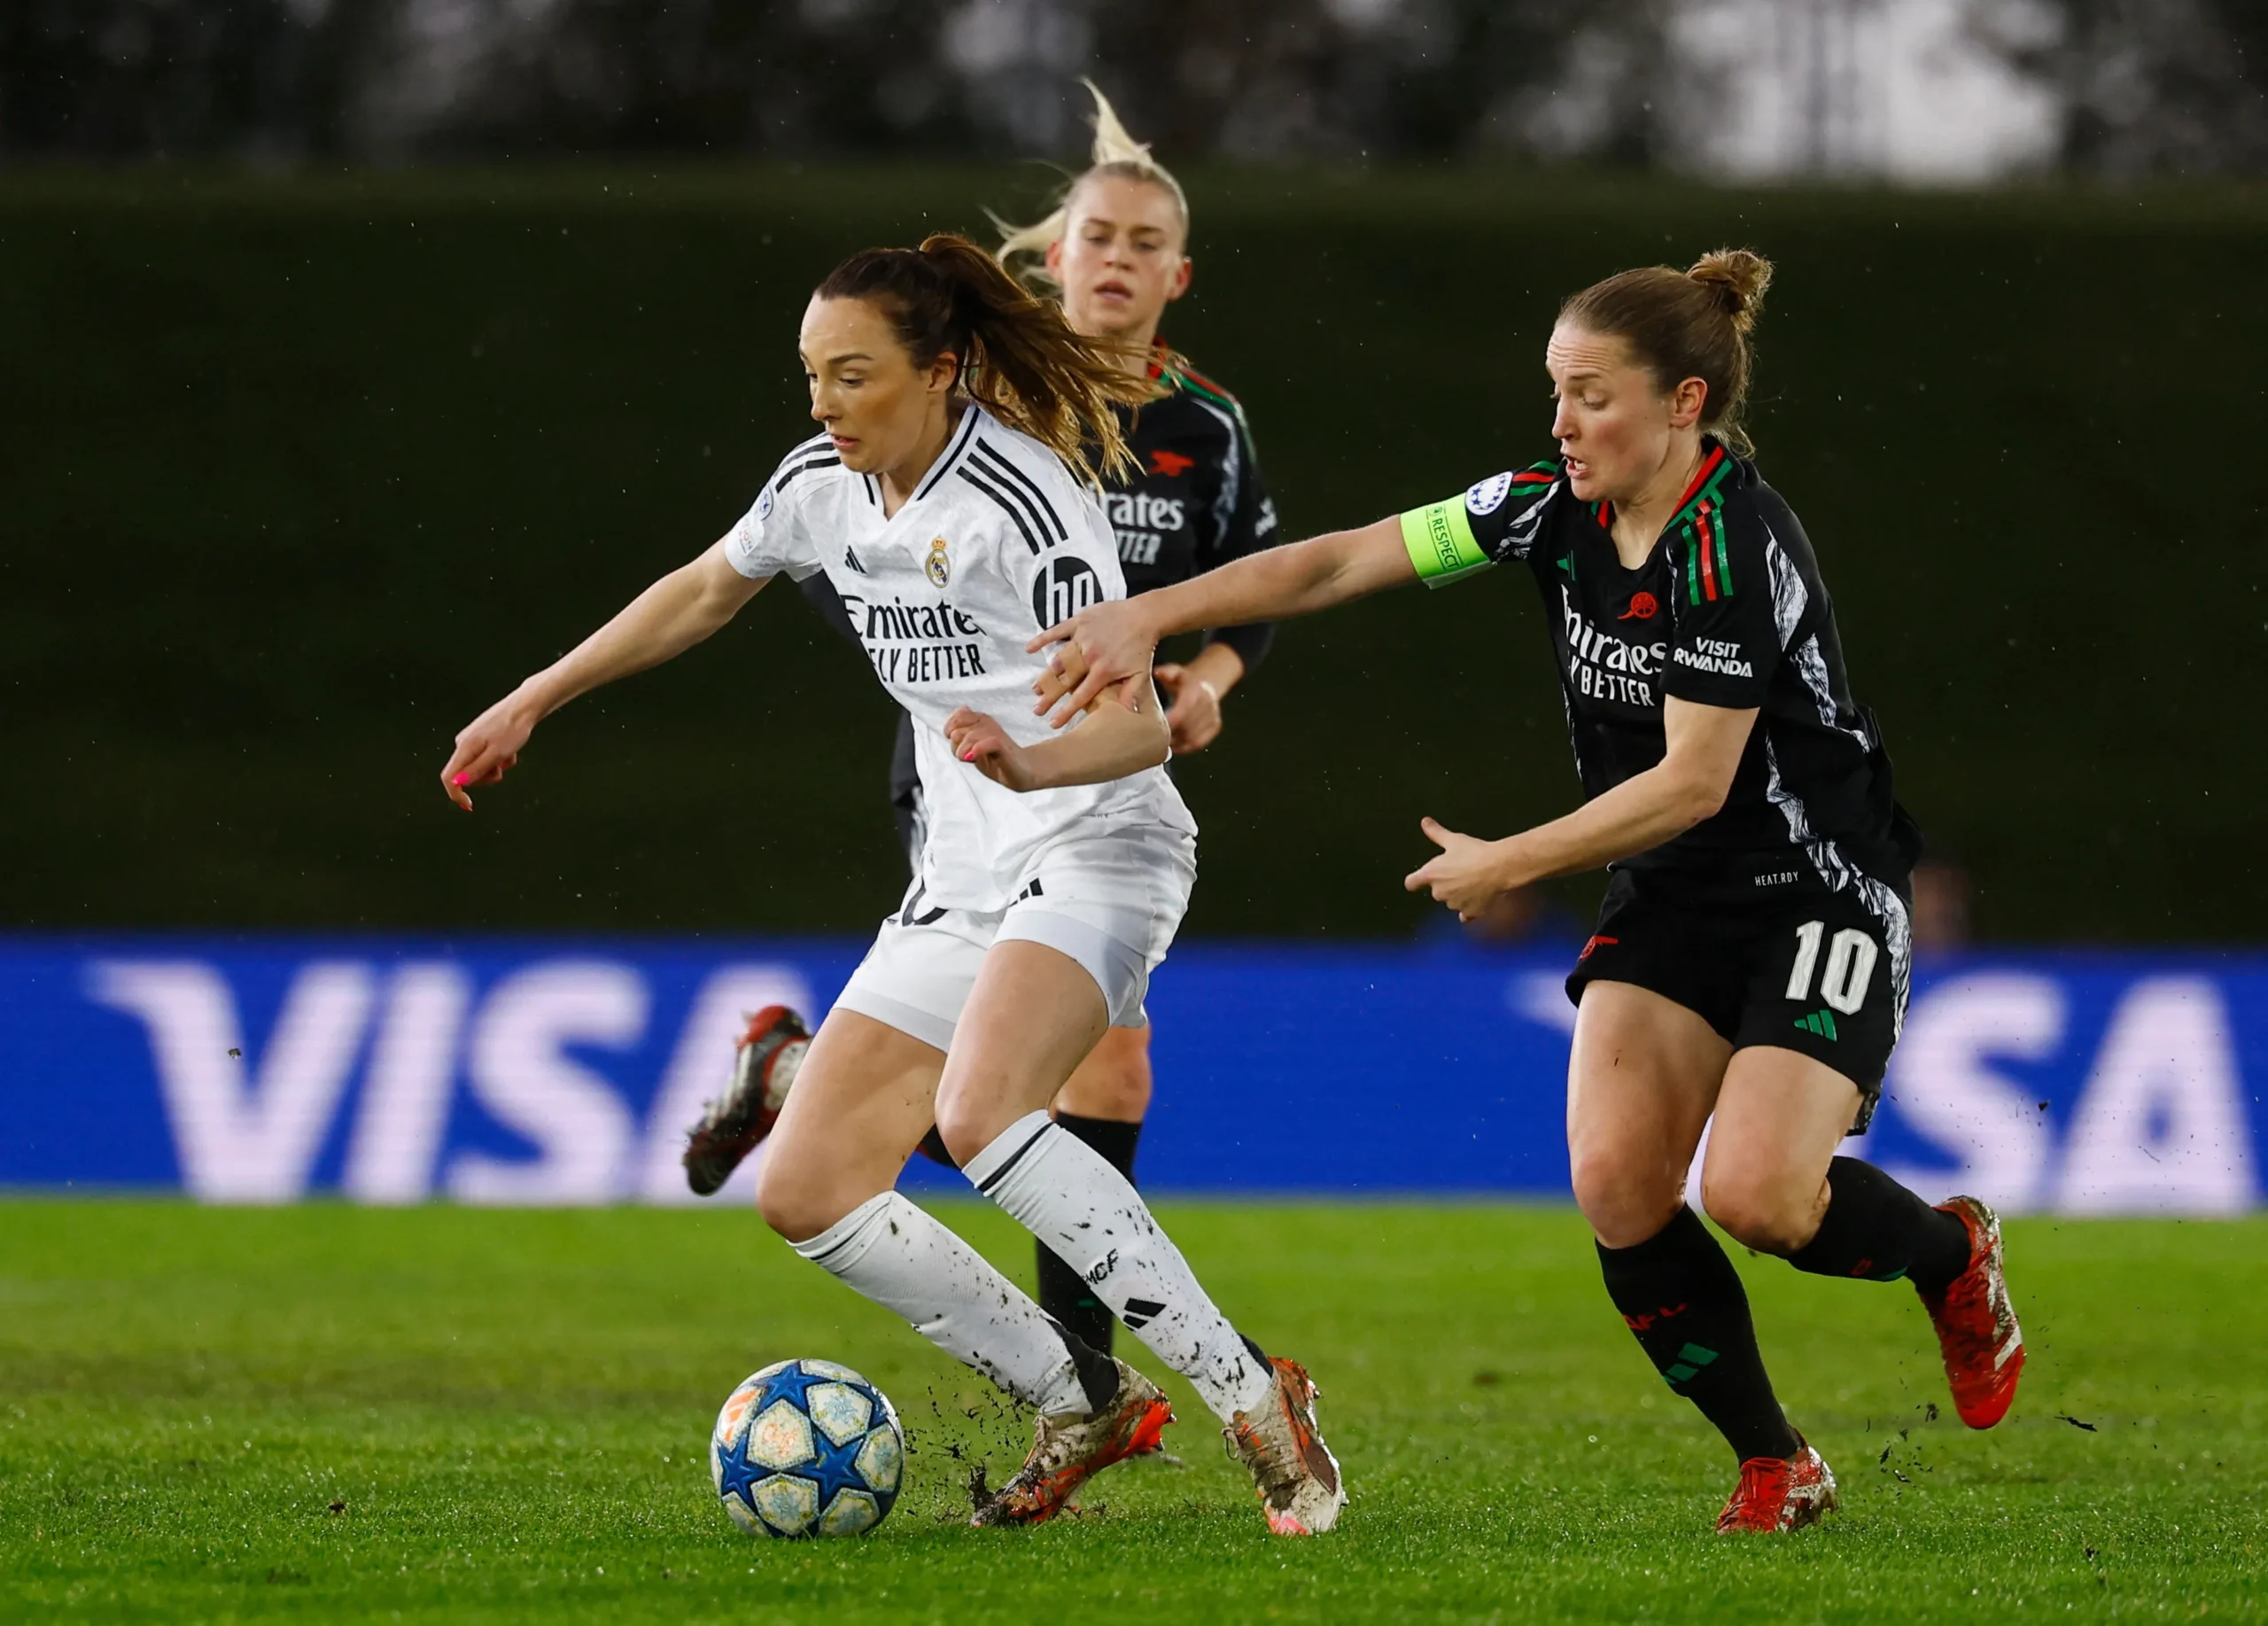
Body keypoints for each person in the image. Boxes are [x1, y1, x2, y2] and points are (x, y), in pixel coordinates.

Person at [1028, 248, 2024, 1534]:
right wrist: (1148, 615)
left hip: (1815, 887)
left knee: (1760, 1199)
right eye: (1555, 391)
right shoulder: (1545, 502)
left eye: (1592, 396)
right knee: (1617, 1183)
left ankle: (1951, 1256)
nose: (1561, 423)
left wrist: (1512, 860)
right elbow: (1335, 563)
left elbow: (1696, 782)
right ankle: (1778, 1459)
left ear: (1685, 403)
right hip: (1674, 894)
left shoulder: (1727, 543)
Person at [439, 235, 1343, 1536]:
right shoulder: (823, 484)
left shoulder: (1024, 506)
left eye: (851, 376)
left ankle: (1255, 1396)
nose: (822, 404)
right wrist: (535, 697)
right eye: (812, 376)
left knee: (984, 1113)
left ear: (943, 370)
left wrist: (1031, 760)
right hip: (963, 870)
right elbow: (705, 588)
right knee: (803, 1189)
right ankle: (1078, 1396)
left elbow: (1145, 728)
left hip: (1097, 839)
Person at [697, 82, 1281, 1360]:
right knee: (1067, 1082)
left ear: (1180, 274)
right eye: (1096, 235)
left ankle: (798, 1084)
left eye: (1143, 241)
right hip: (983, 778)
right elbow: (859, 552)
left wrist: (1206, 687)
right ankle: (1084, 1372)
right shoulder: (983, 409)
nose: (1116, 257)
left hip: (1104, 761)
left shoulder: (1206, 429)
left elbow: (1249, 590)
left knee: (1041, 1084)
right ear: (1052, 258)